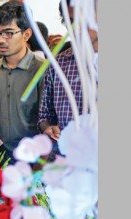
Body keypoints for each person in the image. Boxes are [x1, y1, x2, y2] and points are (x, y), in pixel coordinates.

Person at [0, 1, 44, 164]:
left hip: (32, 161)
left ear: (26, 34)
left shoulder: (42, 70)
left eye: (8, 33)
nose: (1, 40)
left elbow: (47, 122)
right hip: (1, 158)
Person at [38, 0, 98, 152]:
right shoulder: (57, 64)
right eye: (71, 21)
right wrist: (48, 128)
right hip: (66, 160)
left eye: (83, 20)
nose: (76, 28)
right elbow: (44, 116)